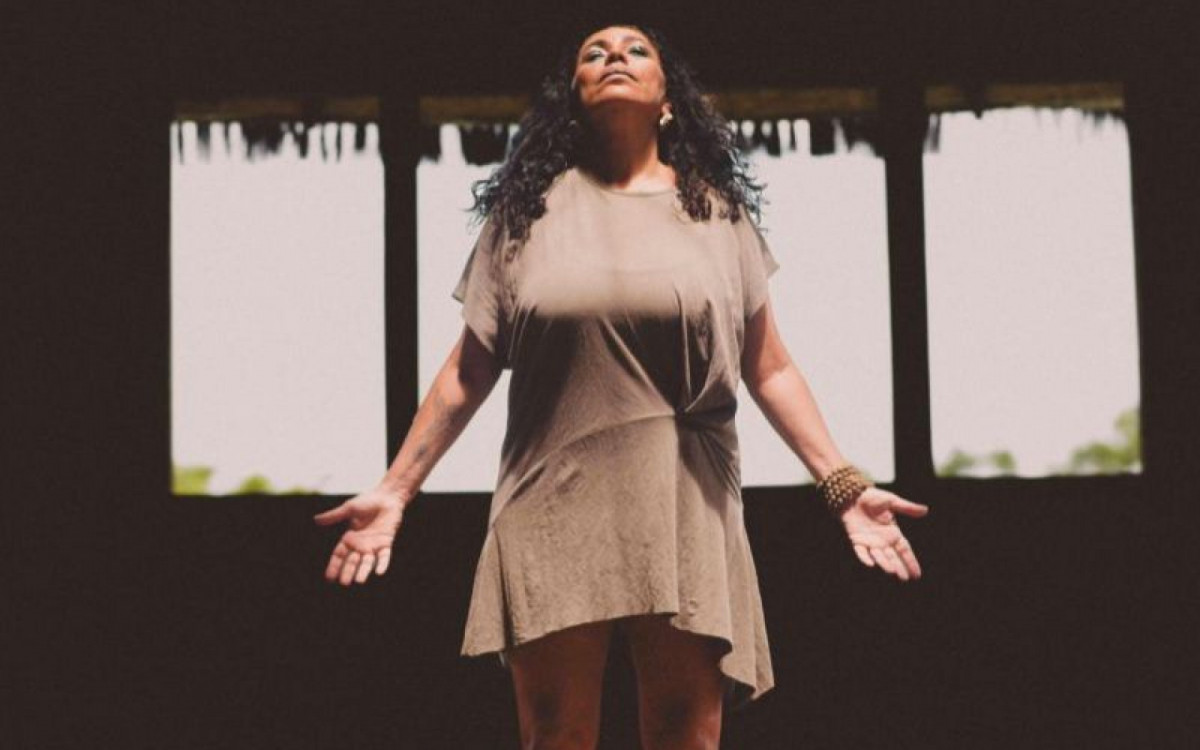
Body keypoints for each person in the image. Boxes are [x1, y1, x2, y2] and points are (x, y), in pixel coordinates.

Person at [313, 20, 929, 749]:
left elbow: (769, 367)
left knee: (683, 735)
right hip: (552, 499)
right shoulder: (524, 218)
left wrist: (843, 487)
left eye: (637, 50)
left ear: (668, 100)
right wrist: (395, 491)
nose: (615, 56)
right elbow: (468, 370)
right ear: (572, 96)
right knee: (557, 736)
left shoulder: (716, 214)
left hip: (685, 497)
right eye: (594, 53)